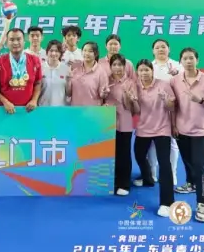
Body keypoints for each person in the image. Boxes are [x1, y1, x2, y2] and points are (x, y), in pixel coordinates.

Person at [170, 47, 204, 223]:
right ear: (181, 62)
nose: (188, 61)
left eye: (191, 58)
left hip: (202, 130)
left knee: (199, 166)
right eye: (185, 58)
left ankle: (202, 204)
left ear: (197, 60)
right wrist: (173, 125)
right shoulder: (175, 81)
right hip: (182, 129)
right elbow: (173, 106)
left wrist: (200, 100)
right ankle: (191, 184)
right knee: (188, 162)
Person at [132, 59, 176, 217]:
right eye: (141, 70)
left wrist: (166, 101)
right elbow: (136, 111)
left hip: (162, 128)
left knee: (164, 164)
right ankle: (148, 178)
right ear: (137, 72)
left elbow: (172, 107)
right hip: (144, 128)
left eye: (147, 70)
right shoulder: (136, 86)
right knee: (138, 154)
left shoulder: (163, 84)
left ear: (152, 70)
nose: (144, 73)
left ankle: (167, 203)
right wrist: (132, 100)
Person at [147, 38, 182, 187]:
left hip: (172, 108)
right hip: (152, 109)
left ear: (169, 49)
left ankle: (172, 173)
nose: (160, 49)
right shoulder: (149, 66)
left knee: (172, 141)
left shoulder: (178, 66)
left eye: (163, 47)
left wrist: (177, 75)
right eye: (157, 47)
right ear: (153, 51)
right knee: (152, 142)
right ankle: (152, 172)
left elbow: (185, 84)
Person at [0, 28, 42, 113]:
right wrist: (4, 101)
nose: (15, 43)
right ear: (7, 42)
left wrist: (34, 100)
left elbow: (38, 83)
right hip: (5, 111)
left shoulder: (35, 60)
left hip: (28, 110)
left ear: (24, 41)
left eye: (18, 39)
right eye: (12, 40)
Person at [104, 54, 137, 196]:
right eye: (114, 65)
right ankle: (112, 180)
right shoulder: (106, 80)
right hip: (107, 122)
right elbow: (101, 99)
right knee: (110, 153)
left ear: (125, 66)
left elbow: (132, 109)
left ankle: (124, 183)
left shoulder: (130, 83)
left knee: (124, 153)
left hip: (124, 122)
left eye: (120, 65)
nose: (117, 68)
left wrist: (128, 98)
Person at [65, 41, 109, 106]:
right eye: (84, 50)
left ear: (96, 53)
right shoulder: (75, 68)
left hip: (92, 110)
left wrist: (104, 93)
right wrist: (68, 80)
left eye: (90, 51)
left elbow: (103, 95)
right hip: (75, 110)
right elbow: (68, 94)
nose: (86, 53)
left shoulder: (101, 72)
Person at [38, 40, 69, 107]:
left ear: (60, 53)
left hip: (61, 108)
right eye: (51, 51)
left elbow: (68, 92)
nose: (53, 53)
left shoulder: (66, 69)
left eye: (57, 51)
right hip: (42, 107)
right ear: (47, 52)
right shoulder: (40, 68)